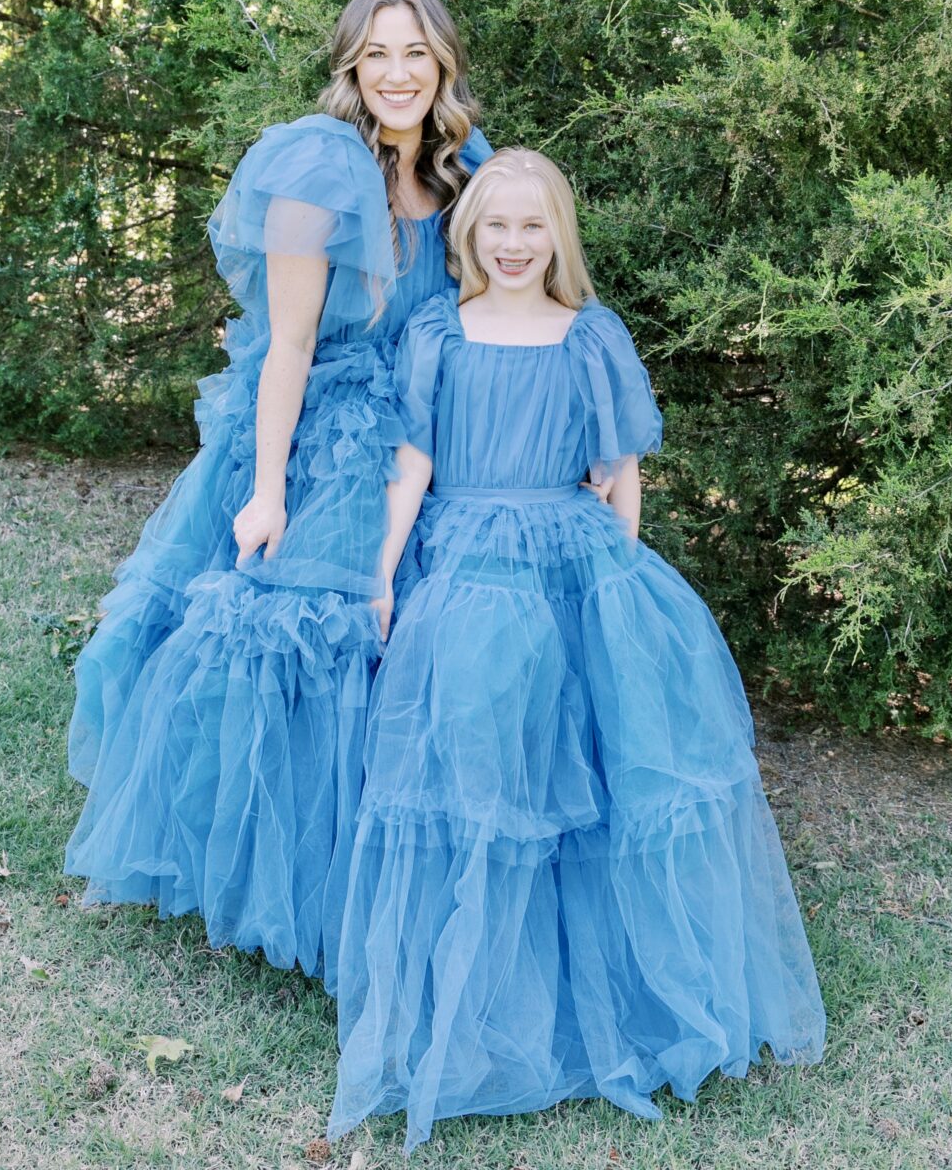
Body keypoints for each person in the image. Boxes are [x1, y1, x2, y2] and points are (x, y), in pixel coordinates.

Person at [330, 147, 826, 1151]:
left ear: (560, 234)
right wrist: (382, 573)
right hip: (470, 567)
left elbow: (620, 464)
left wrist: (623, 575)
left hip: (575, 561)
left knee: (591, 772)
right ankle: (480, 1001)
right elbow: (412, 465)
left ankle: (609, 990)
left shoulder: (590, 334)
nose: (513, 243)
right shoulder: (438, 331)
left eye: (533, 225)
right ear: (468, 234)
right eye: (496, 225)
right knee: (487, 772)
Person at [63, 0, 490, 988]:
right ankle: (297, 879)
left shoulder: (461, 169)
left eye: (417, 54)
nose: (398, 73)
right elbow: (287, 346)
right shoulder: (317, 168)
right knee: (309, 636)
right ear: (350, 63)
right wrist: (266, 488)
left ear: (443, 67)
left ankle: (415, 865)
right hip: (329, 433)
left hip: (433, 427)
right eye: (378, 53)